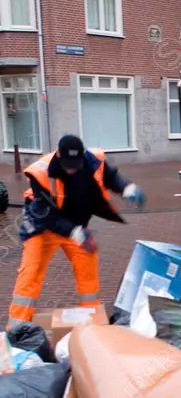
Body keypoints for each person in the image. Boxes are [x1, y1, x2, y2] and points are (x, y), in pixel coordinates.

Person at [7, 135, 146, 327]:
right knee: (30, 274)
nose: (71, 168)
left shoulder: (92, 161)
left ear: (82, 156)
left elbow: (111, 176)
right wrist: (76, 233)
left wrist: (127, 187)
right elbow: (48, 216)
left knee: (87, 271)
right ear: (59, 157)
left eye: (76, 163)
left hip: (75, 226)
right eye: (67, 164)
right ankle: (17, 330)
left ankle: (93, 325)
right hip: (42, 226)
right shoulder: (41, 173)